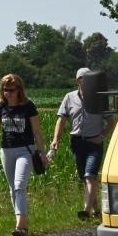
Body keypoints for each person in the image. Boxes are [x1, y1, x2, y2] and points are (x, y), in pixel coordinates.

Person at [0, 72, 43, 236]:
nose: (8, 93)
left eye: (11, 89)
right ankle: (23, 224)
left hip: (25, 150)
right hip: (7, 150)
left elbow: (37, 131)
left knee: (19, 185)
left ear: (19, 89)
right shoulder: (0, 107)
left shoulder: (28, 106)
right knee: (12, 188)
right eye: (5, 89)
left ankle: (19, 225)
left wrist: (42, 152)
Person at [48, 66, 110, 220]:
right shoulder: (69, 97)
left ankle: (86, 211)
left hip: (94, 142)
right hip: (77, 142)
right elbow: (61, 119)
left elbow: (111, 121)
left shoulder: (99, 97)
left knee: (90, 176)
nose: (88, 81)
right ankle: (96, 210)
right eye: (84, 78)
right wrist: (56, 139)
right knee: (84, 177)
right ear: (78, 81)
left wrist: (102, 136)